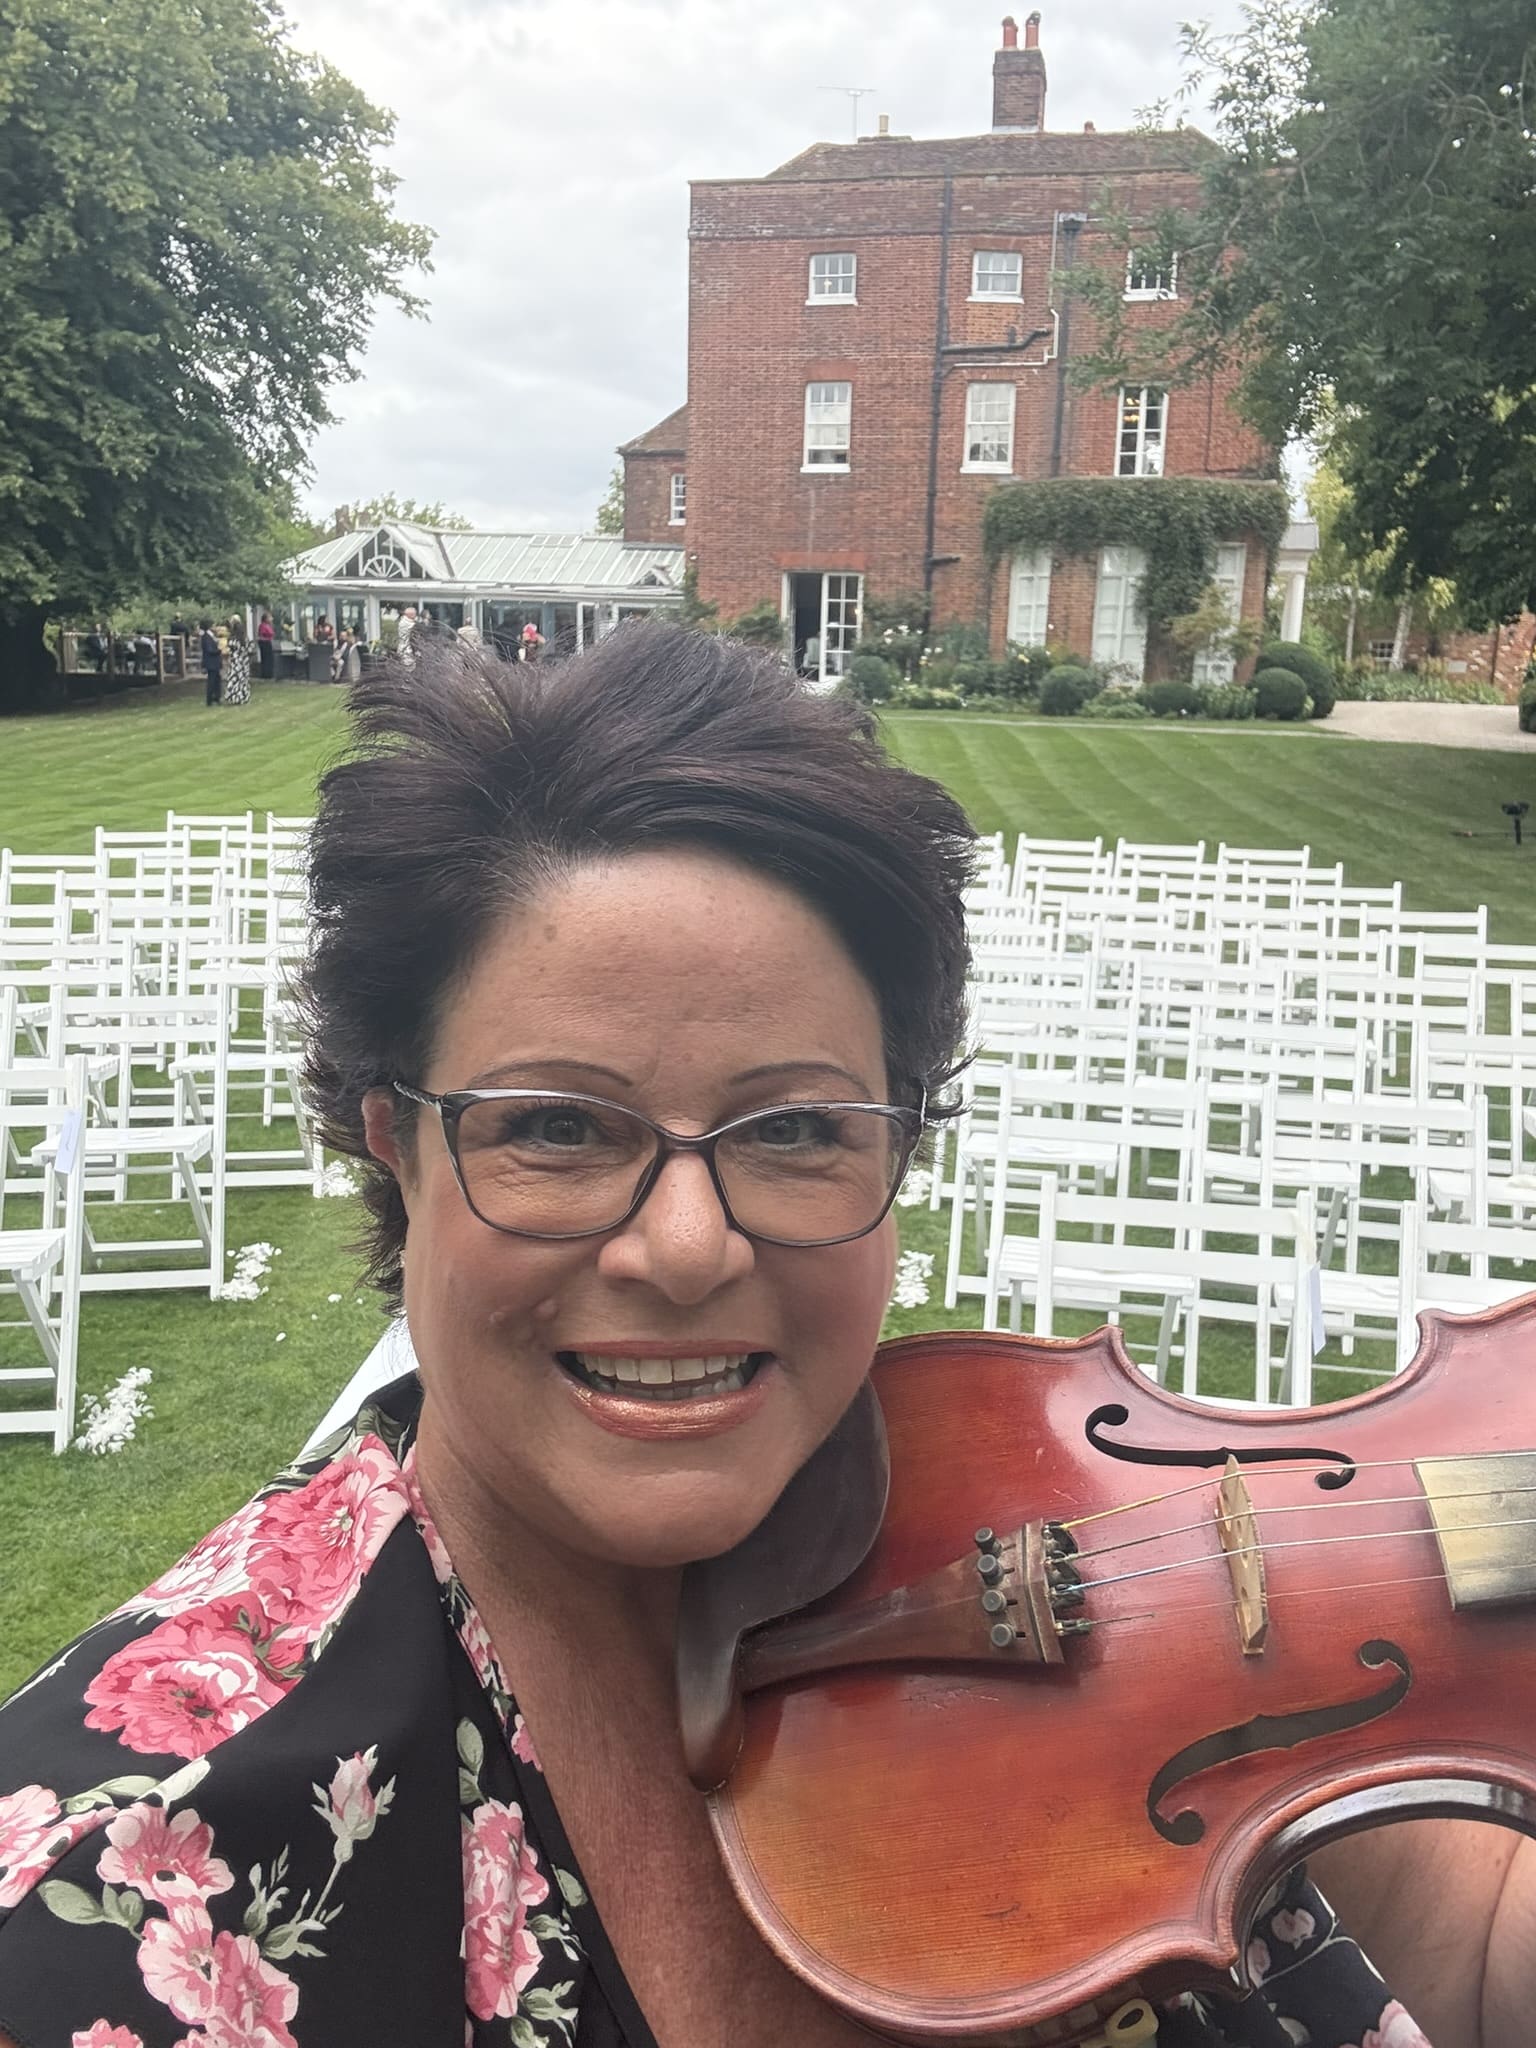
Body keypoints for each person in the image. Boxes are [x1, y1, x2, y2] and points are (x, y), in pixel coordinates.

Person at [0, 628, 1525, 2048]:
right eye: (556, 1128)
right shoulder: (131, 1888)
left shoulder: (1036, 1507)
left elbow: (1470, 1950)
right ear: (395, 1146)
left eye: (795, 1126)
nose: (684, 1248)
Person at [223, 617, 252, 706]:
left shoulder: (232, 639)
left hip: (235, 661)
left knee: (235, 679)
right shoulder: (245, 639)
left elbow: (229, 648)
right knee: (243, 680)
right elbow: (250, 649)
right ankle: (244, 697)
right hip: (243, 661)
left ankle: (235, 697)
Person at [198, 617, 222, 705]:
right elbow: (209, 650)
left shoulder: (210, 636)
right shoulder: (206, 637)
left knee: (216, 680)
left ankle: (216, 697)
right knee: (211, 681)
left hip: (214, 662)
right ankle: (210, 699)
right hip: (211, 662)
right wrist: (218, 650)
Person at [257, 611, 277, 679]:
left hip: (268, 642)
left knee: (270, 659)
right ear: (266, 619)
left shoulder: (269, 625)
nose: (272, 619)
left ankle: (269, 674)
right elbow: (262, 634)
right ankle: (266, 674)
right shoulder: (263, 625)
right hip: (264, 643)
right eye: (270, 617)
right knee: (266, 659)